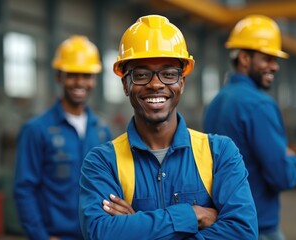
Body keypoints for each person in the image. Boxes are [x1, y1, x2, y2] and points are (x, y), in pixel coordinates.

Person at [79, 15, 258, 239]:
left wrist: (136, 227)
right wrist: (193, 215)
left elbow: (242, 232)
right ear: (126, 84)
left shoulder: (219, 153)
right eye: (141, 74)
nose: (156, 84)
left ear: (181, 83)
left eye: (169, 74)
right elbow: (100, 232)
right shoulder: (103, 163)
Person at [203, 15, 296, 240]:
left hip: (221, 224)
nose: (274, 67)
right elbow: (282, 176)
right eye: (267, 59)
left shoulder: (216, 102)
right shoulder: (260, 105)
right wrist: (295, 161)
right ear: (244, 58)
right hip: (258, 227)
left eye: (275, 60)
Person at [14, 35, 112, 240]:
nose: (79, 82)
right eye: (72, 75)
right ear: (59, 77)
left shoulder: (102, 130)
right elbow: (24, 189)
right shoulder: (36, 130)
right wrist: (40, 236)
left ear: (94, 80)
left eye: (86, 75)